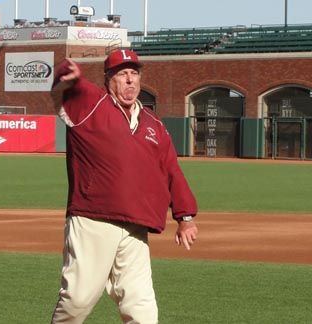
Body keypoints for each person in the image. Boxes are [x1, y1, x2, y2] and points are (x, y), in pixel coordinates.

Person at [50, 49, 198, 324]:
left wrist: (185, 216)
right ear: (108, 80)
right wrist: (68, 77)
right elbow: (69, 90)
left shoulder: (154, 124)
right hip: (93, 220)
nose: (130, 80)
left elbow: (171, 170)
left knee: (142, 307)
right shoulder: (92, 105)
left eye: (134, 74)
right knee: (77, 301)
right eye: (122, 74)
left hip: (135, 226)